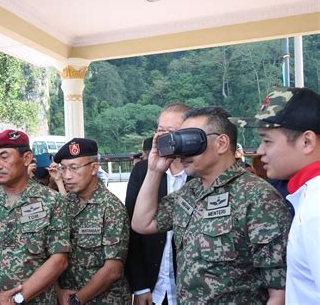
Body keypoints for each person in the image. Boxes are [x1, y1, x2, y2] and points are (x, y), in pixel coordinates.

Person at [132, 106, 292, 304]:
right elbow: (142, 223)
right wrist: (155, 170)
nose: (182, 151)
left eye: (190, 140)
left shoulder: (257, 196)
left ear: (221, 143)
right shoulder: (190, 193)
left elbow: (280, 293)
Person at [0, 129, 70, 304]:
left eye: (4, 157)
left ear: (26, 158)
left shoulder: (51, 201)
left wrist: (16, 299)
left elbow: (59, 259)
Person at [230, 87, 320, 303]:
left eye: (267, 141)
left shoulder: (316, 210)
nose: (260, 151)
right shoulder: (307, 196)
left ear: (306, 142)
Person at [125, 103, 190, 305]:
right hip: (153, 288)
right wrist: (140, 286)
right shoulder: (143, 171)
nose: (164, 137)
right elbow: (132, 231)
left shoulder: (200, 174)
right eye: (160, 131)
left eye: (171, 132)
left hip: (190, 289)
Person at [55, 138, 131, 305]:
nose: (67, 176)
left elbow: (112, 270)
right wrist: (58, 292)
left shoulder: (111, 208)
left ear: (94, 168)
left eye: (74, 168)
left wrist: (76, 300)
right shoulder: (65, 204)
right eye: (63, 169)